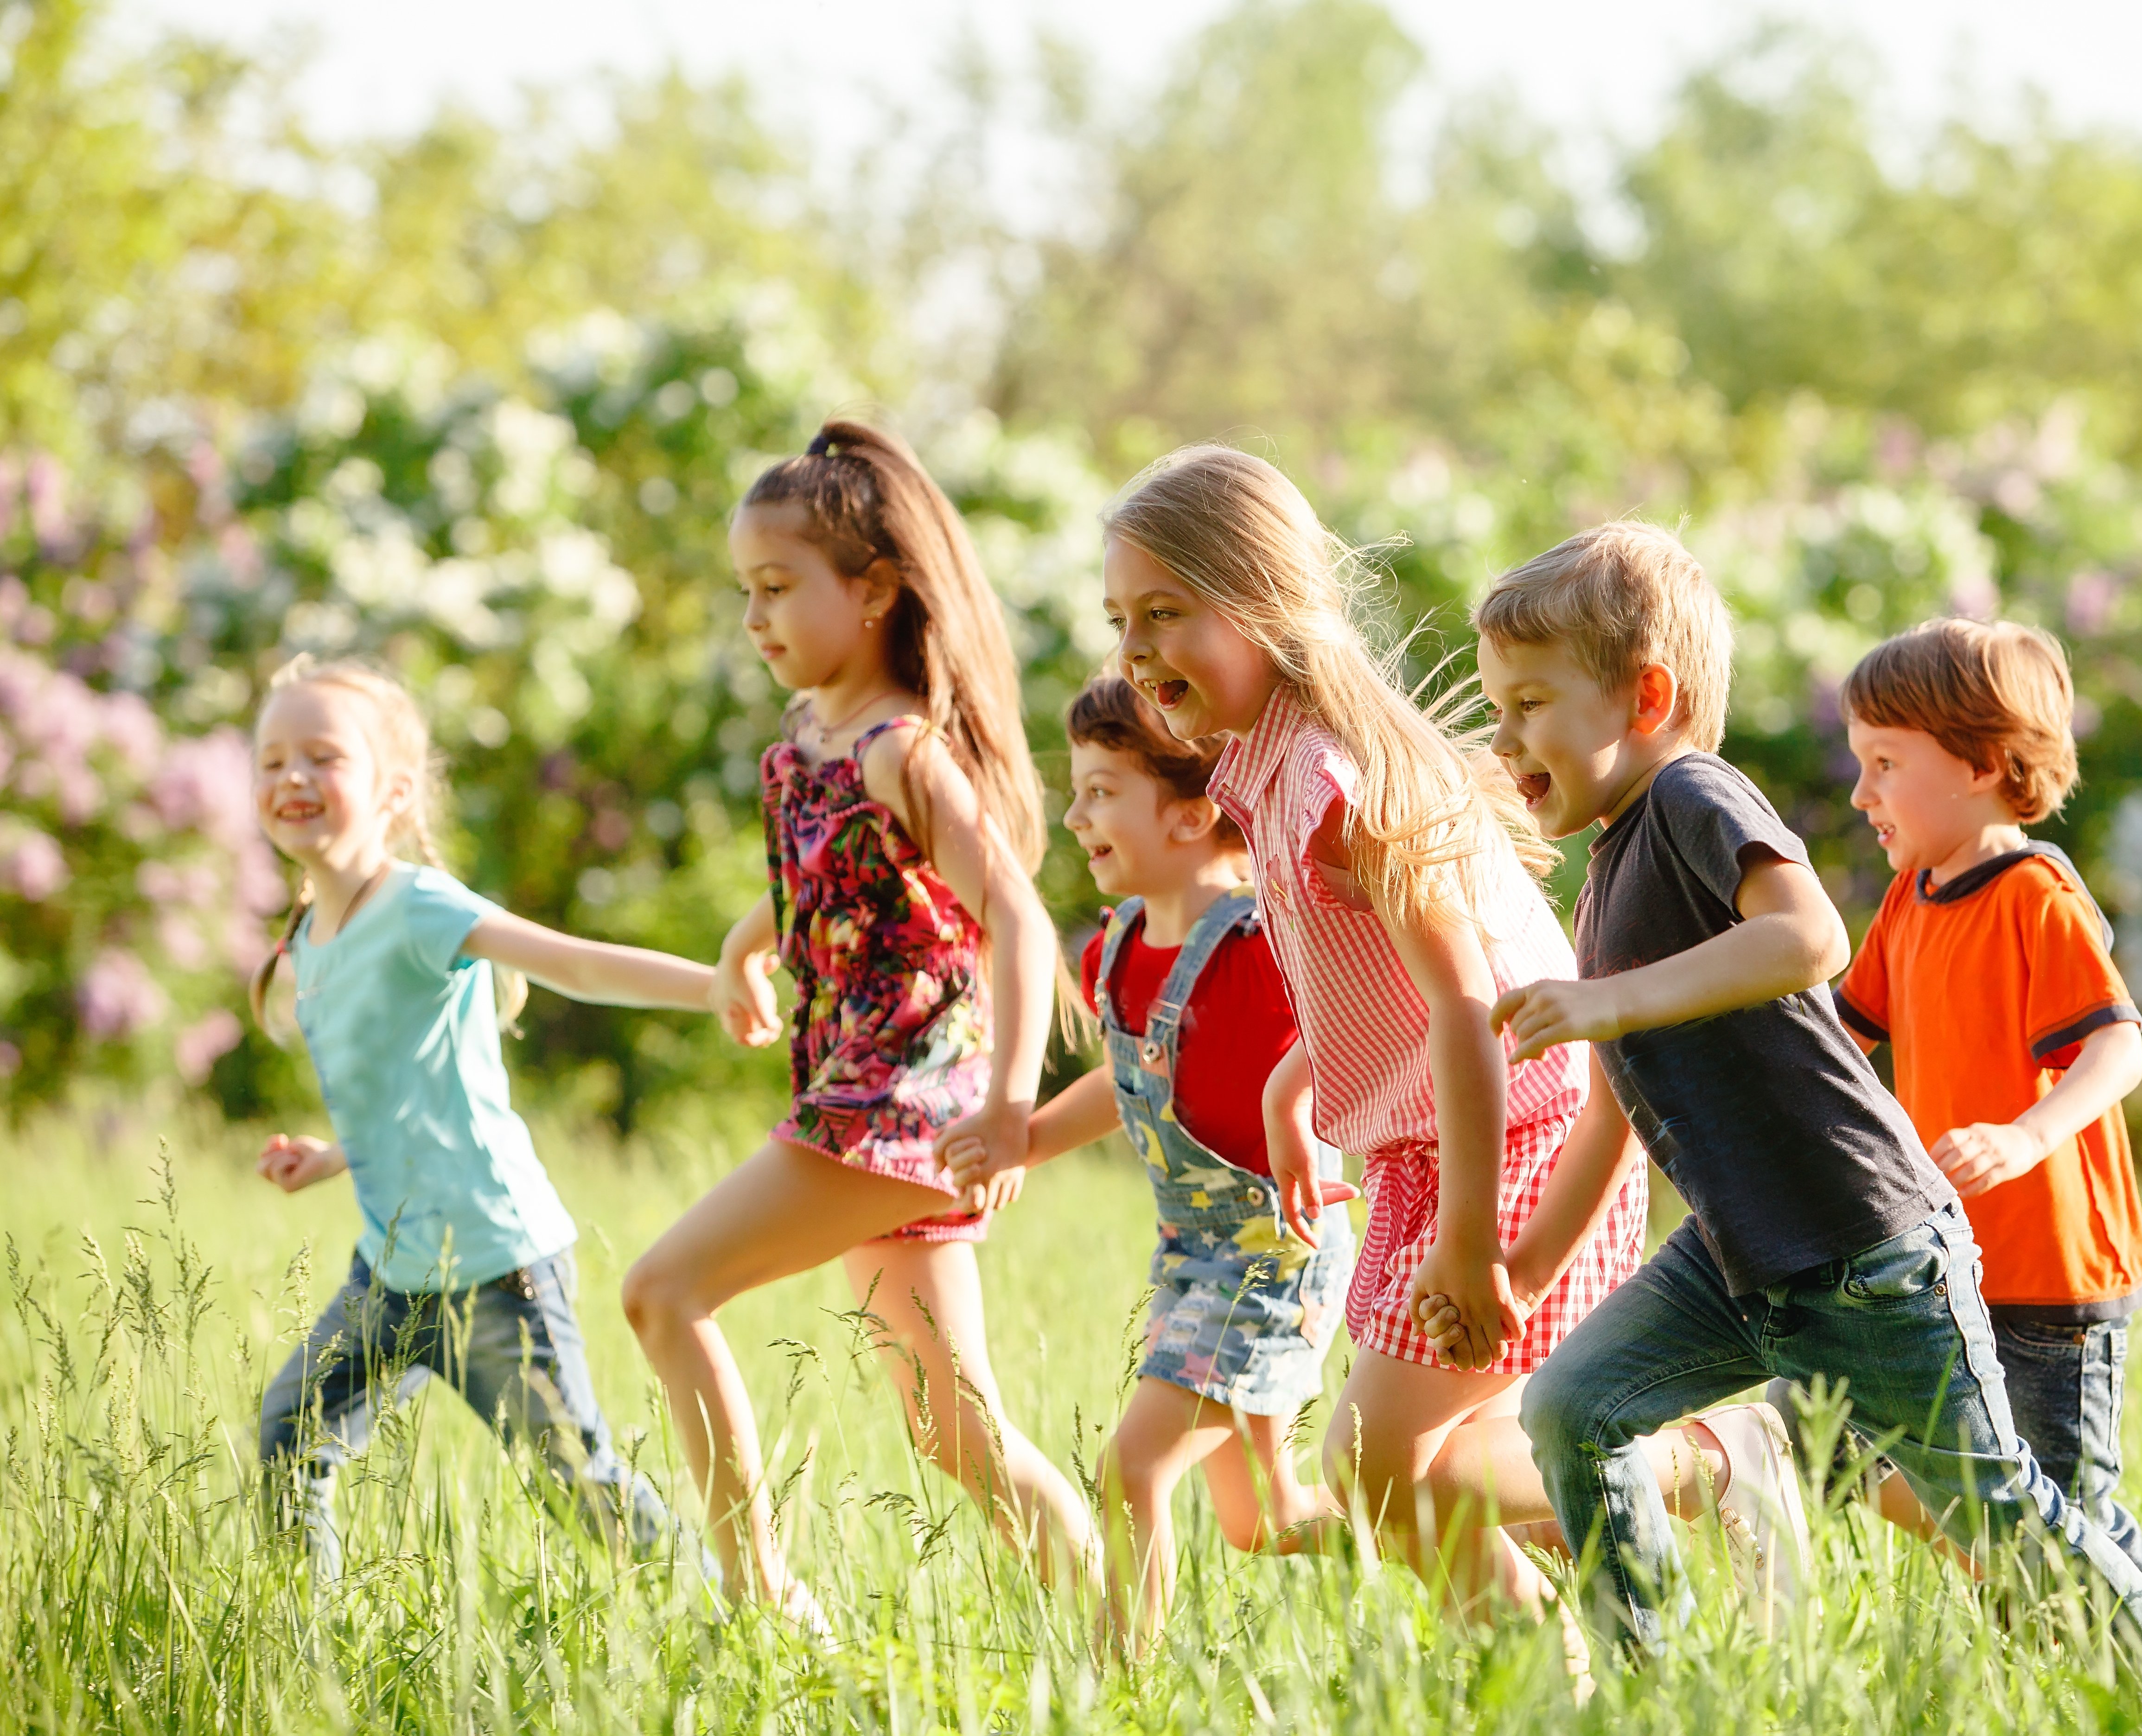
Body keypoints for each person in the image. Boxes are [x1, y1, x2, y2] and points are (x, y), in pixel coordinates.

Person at [1475, 523, 2142, 1690]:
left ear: (1648, 696)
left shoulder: (1687, 793)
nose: (1504, 734)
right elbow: (1619, 1110)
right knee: (1576, 1405)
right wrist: (1519, 1271)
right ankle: (1653, 1690)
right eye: (1495, 708)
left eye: (1528, 703)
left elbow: (1809, 937)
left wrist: (1612, 999)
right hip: (1741, 1253)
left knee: (2000, 1516)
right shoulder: (1613, 867)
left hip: (1862, 1251)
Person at [1092, 443, 1661, 1617]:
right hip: (1432, 1144)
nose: (1137, 652)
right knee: (1421, 1477)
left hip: (1512, 1141)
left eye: (1165, 613)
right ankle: (1542, 1680)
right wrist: (1295, 1088)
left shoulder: (1332, 781)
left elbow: (1465, 999)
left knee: (1372, 1466)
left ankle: (1707, 1470)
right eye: (1119, 621)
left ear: (1260, 605)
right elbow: (1377, 986)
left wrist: (1465, 1235)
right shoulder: (1268, 764)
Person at [621, 421, 1092, 1626]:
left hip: (902, 1109)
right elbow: (837, 890)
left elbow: (1022, 928)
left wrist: (1008, 1110)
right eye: (746, 594)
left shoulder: (904, 752)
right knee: (954, 1431)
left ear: (875, 589)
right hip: (861, 1095)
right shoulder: (804, 749)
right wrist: (747, 939)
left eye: (779, 589)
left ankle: (765, 1598)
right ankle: (1114, 1627)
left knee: (663, 1291)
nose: (756, 620)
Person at [248, 655, 713, 1587]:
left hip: (496, 1273)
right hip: (389, 1275)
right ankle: (309, 1652)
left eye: (322, 757)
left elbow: (573, 963)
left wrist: (717, 988)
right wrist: (332, 1157)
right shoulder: (308, 938)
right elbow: (403, 1096)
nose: (292, 778)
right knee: (291, 1432)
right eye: (271, 761)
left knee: (581, 1489)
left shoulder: (418, 905)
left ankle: (737, 1623)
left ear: (392, 792)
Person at [947, 676, 1353, 1650]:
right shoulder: (1116, 951)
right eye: (1077, 791)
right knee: (1265, 1521)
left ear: (1192, 812)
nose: (1075, 814)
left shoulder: (1264, 951)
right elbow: (1133, 1081)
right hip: (1189, 1259)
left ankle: (1118, 1690)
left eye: (1100, 792)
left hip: (1273, 1255)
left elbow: (1361, 1035)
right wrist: (1027, 1136)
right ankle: (1477, 1522)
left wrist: (1312, 1117)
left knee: (1132, 1468)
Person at [1821, 617, 2142, 1584]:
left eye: (1886, 762)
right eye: (1859, 762)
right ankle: (2078, 1631)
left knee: (2064, 1510)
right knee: (1916, 1470)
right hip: (1949, 1260)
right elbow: (1838, 1047)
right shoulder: (1908, 899)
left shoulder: (2034, 894)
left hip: (2054, 1277)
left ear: (1980, 762)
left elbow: (2117, 1047)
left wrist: (2027, 1138)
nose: (1862, 793)